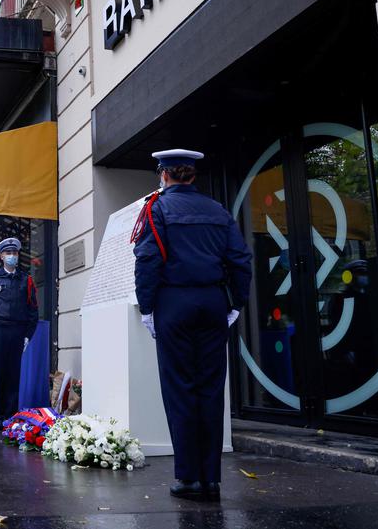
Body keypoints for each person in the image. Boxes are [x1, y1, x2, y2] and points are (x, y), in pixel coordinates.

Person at [133, 149, 252, 502]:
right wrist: (236, 303)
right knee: (212, 390)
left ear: (164, 175)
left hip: (175, 303)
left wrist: (147, 306)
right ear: (192, 176)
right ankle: (211, 479)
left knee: (180, 388)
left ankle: (188, 478)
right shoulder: (218, 211)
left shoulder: (157, 209)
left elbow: (148, 261)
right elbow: (241, 260)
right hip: (213, 303)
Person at [0, 237, 39, 430]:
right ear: (1, 256)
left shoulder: (26, 280)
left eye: (15, 253)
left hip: (18, 331)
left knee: (14, 375)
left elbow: (33, 309)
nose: (12, 256)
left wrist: (28, 335)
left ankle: (12, 416)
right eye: (8, 253)